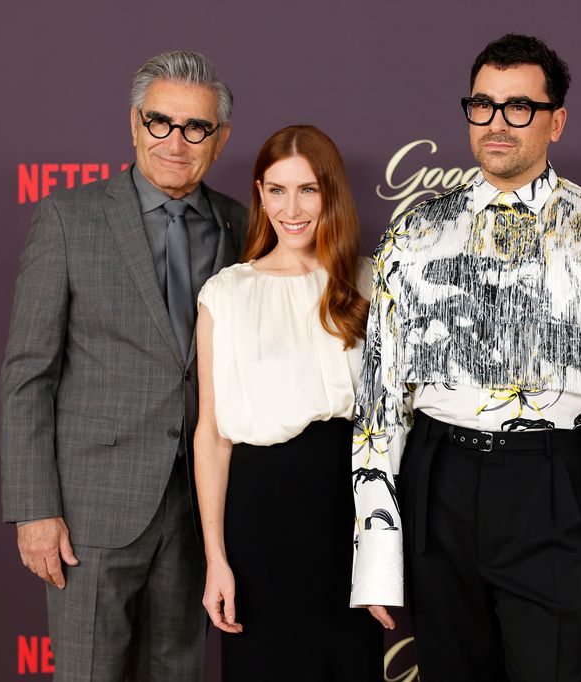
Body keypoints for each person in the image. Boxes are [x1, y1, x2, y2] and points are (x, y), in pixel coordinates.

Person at [350, 34, 581, 682]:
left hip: (552, 486)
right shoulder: (416, 232)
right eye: (483, 106)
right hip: (440, 486)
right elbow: (379, 398)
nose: (497, 123)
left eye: (518, 107)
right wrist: (377, 551)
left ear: (556, 121)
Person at [0, 51, 247, 681]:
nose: (175, 141)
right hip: (91, 511)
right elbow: (29, 374)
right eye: (160, 122)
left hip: (201, 510)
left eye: (196, 128)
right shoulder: (67, 218)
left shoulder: (241, 225)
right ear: (134, 125)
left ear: (218, 140)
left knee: (179, 671)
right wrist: (34, 508)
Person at [194, 125, 383, 681]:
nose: (291, 208)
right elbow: (212, 434)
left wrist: (385, 549)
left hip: (352, 509)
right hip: (261, 518)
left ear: (332, 194)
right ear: (259, 193)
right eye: (276, 190)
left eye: (308, 190)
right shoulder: (226, 293)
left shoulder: (372, 282)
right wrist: (216, 559)